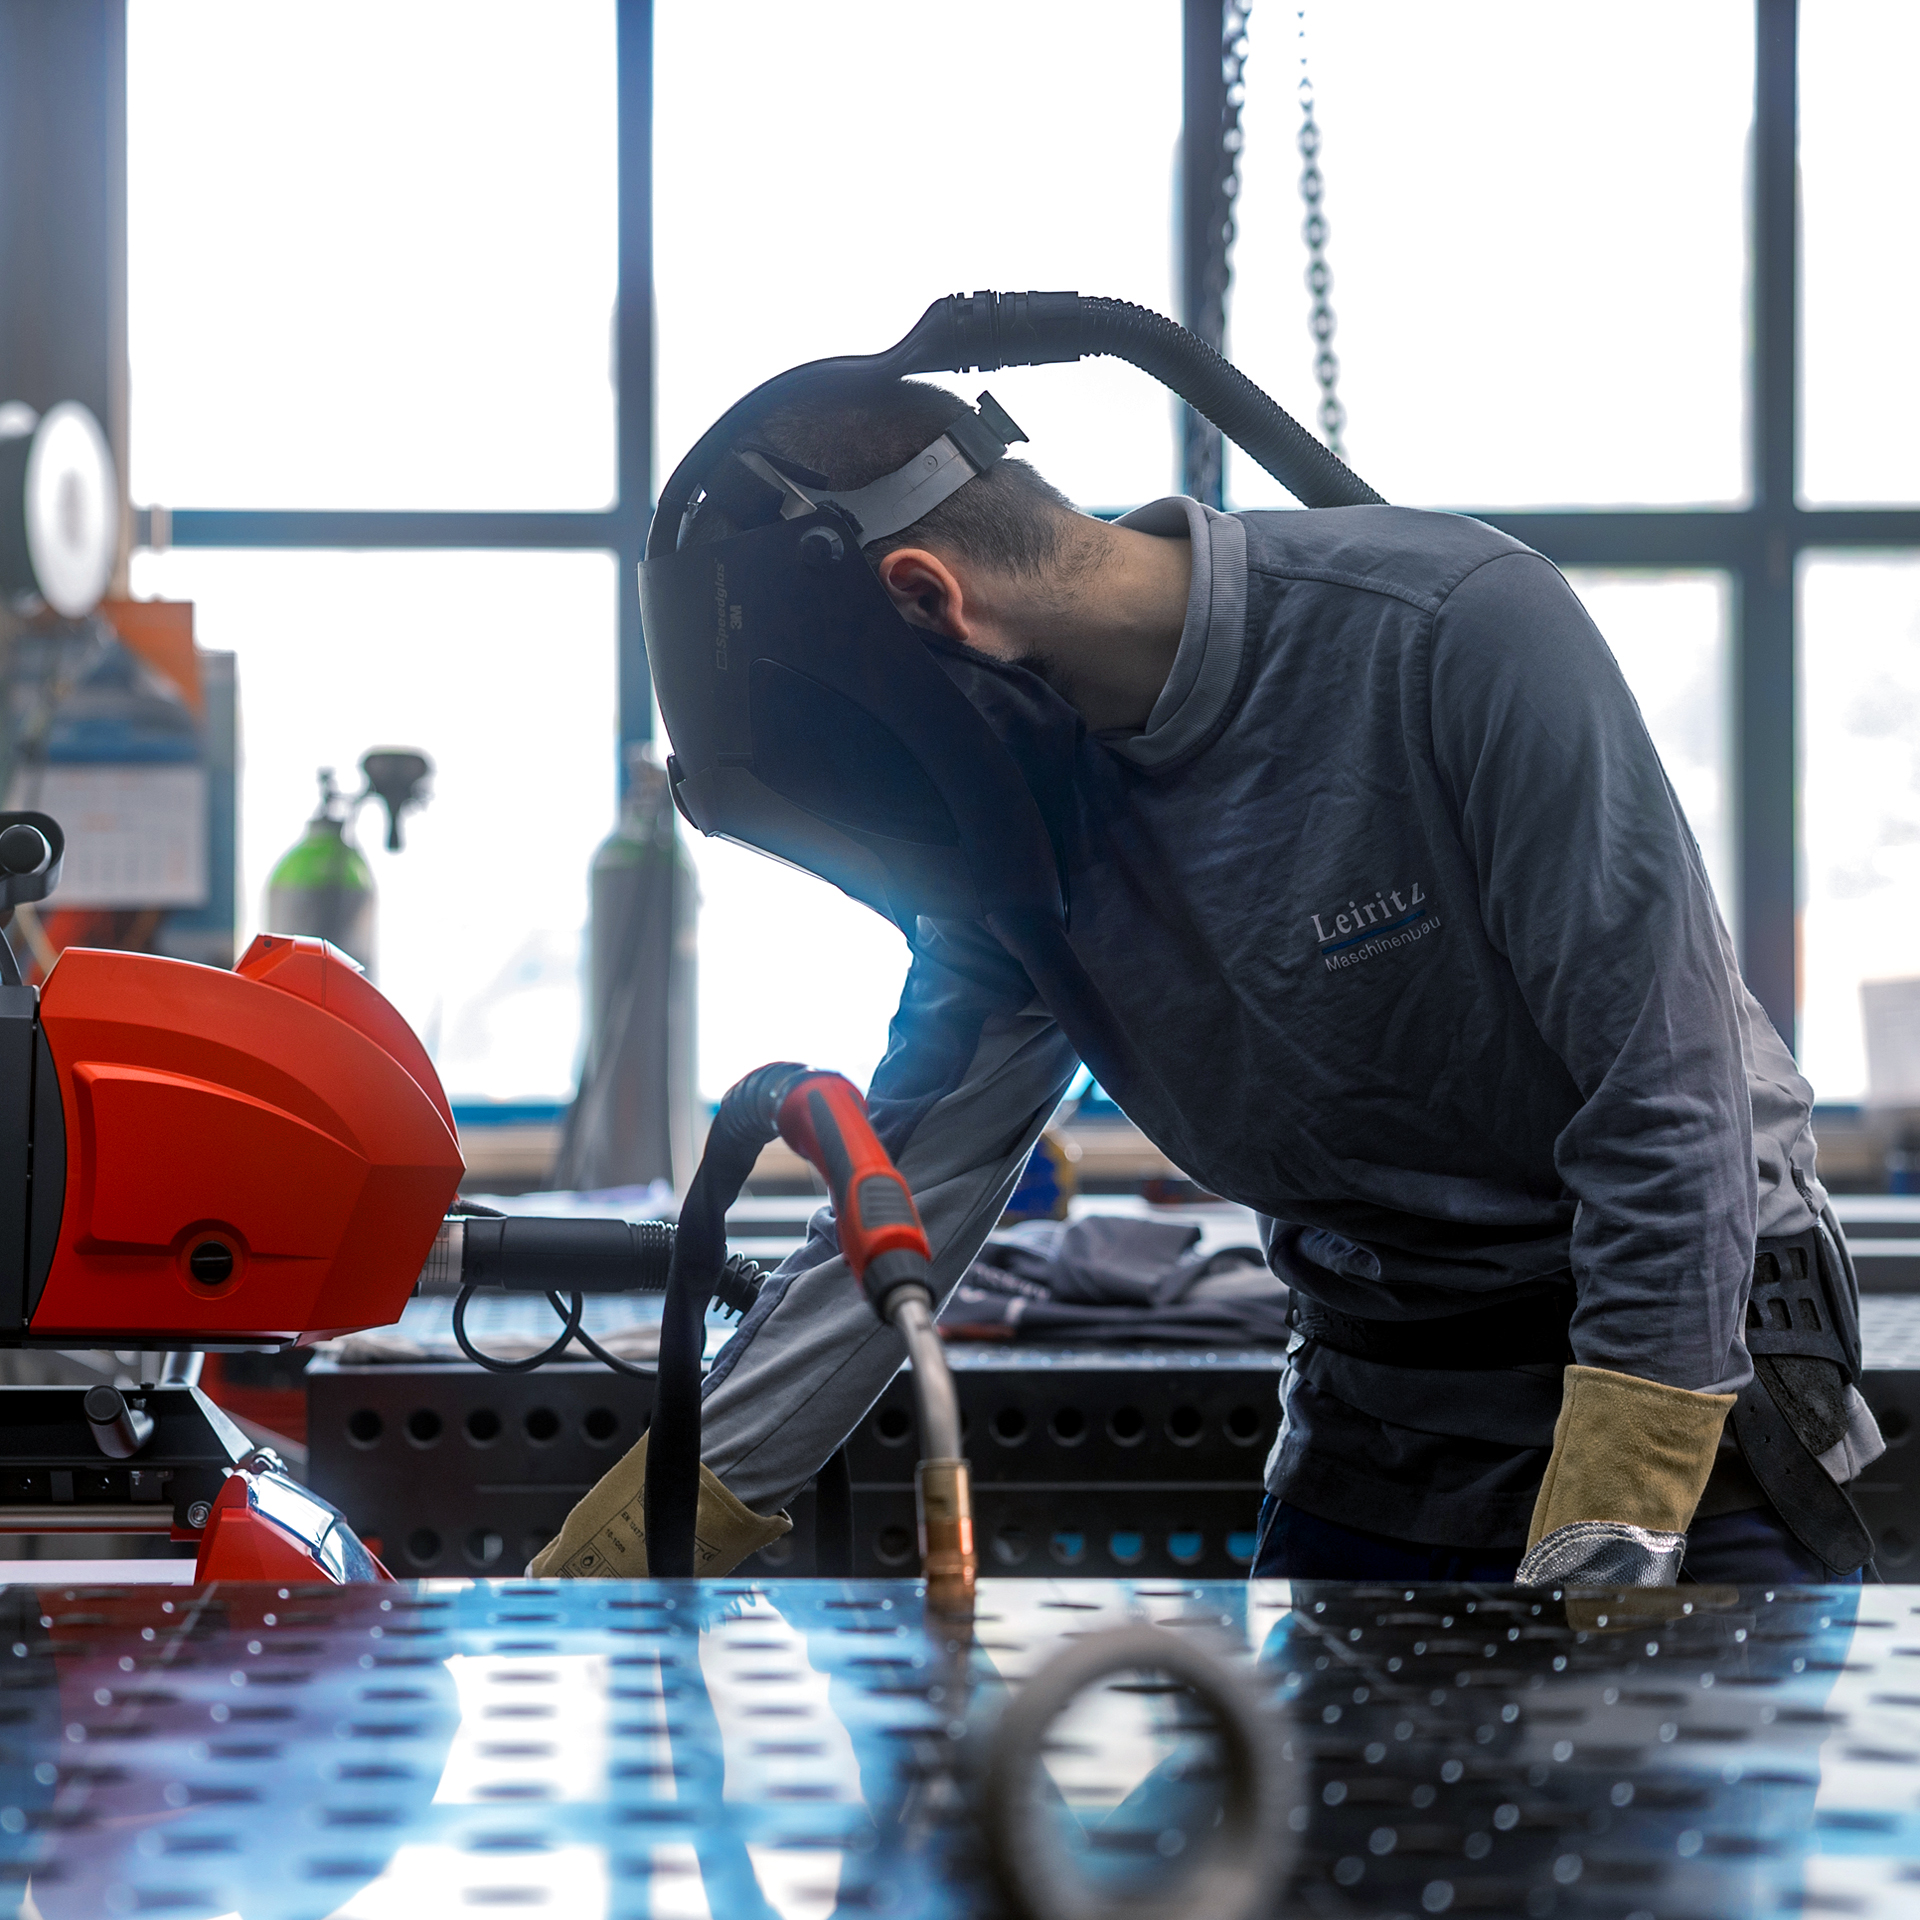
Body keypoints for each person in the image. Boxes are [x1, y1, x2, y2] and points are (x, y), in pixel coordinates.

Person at [532, 373, 1881, 1587]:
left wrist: (1615, 1538)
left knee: (1661, 1821)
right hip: (1382, 1389)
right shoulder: (1013, 831)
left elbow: (1665, 1101)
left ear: (931, 600)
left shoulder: (1452, 631)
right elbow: (899, 1208)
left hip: (1691, 1352)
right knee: (1315, 1846)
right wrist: (608, 1573)